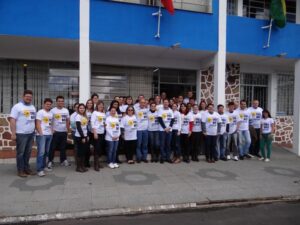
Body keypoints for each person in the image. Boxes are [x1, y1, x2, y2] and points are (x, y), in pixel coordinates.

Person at [9, 90, 37, 177]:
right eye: (27, 96)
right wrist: (13, 133)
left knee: (28, 152)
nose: (29, 98)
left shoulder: (33, 107)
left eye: (30, 97)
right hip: (21, 134)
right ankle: (20, 170)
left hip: (31, 133)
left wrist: (35, 131)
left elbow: (33, 120)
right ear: (23, 96)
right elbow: (12, 120)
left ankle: (26, 168)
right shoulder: (17, 106)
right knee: (20, 153)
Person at [48, 96, 71, 170]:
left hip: (63, 132)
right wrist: (51, 129)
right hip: (55, 132)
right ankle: (50, 161)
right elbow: (50, 121)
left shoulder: (66, 110)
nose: (61, 102)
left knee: (63, 147)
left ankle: (63, 160)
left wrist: (68, 129)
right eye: (59, 101)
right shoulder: (53, 111)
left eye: (62, 101)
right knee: (52, 147)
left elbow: (67, 120)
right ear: (56, 102)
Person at [35, 98, 53, 177]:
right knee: (41, 152)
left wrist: (52, 132)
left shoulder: (51, 113)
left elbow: (51, 123)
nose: (48, 105)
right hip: (42, 135)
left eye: (49, 104)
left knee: (46, 152)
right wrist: (41, 133)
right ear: (44, 104)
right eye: (47, 104)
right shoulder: (40, 112)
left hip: (49, 134)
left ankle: (44, 166)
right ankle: (40, 169)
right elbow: (37, 123)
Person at [158, 99, 174, 163]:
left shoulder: (170, 110)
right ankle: (162, 157)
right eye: (164, 102)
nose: (166, 103)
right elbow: (160, 119)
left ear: (168, 103)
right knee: (162, 144)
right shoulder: (160, 110)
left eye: (167, 102)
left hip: (169, 130)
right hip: (162, 130)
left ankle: (168, 158)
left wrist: (169, 127)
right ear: (163, 103)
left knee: (168, 144)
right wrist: (165, 128)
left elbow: (172, 120)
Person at [91, 100, 106, 171]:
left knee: (100, 149)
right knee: (96, 149)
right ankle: (96, 165)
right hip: (97, 133)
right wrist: (94, 132)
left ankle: (98, 163)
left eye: (102, 105)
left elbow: (103, 122)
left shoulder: (103, 113)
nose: (101, 106)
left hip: (102, 133)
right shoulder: (95, 113)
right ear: (97, 106)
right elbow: (92, 123)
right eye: (99, 105)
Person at [74, 104, 89, 172]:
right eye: (80, 108)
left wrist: (87, 136)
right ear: (78, 109)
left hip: (84, 136)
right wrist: (83, 137)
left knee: (83, 152)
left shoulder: (84, 116)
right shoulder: (77, 116)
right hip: (79, 137)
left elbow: (85, 127)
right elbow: (79, 127)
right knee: (80, 153)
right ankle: (78, 167)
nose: (82, 109)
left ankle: (82, 166)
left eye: (83, 108)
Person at [135, 98, 149, 163]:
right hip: (139, 130)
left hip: (145, 129)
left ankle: (144, 157)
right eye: (142, 102)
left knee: (145, 144)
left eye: (144, 102)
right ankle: (139, 157)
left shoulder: (147, 110)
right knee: (138, 144)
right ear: (139, 103)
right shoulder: (136, 110)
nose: (143, 104)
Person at [85, 99, 94, 167]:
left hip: (93, 131)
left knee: (92, 147)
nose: (89, 104)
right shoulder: (84, 111)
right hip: (86, 131)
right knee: (87, 147)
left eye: (91, 103)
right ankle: (86, 162)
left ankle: (89, 161)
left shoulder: (94, 111)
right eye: (88, 103)